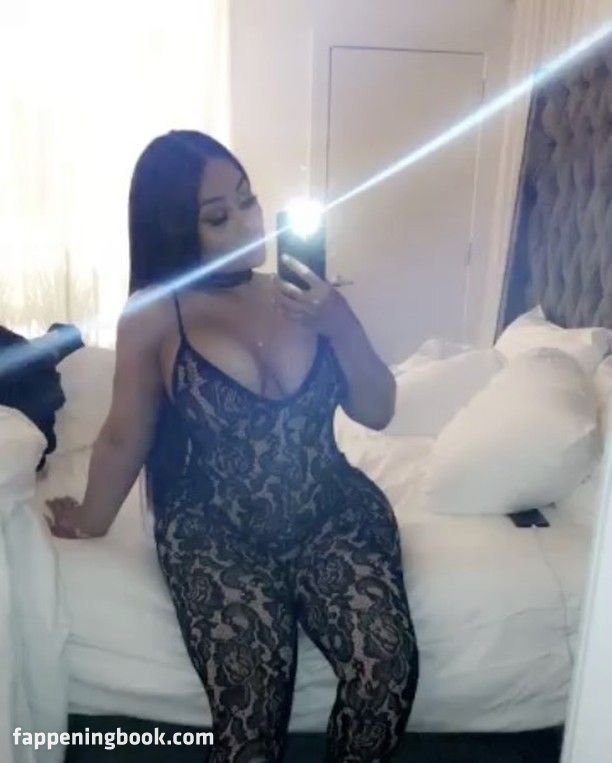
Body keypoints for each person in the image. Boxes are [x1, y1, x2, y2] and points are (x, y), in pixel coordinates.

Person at [46, 130, 419, 762]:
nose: (247, 224)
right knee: (251, 713)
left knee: (386, 671)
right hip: (217, 531)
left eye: (248, 201)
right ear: (175, 231)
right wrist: (89, 519)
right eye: (218, 217)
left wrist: (340, 321)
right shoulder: (156, 313)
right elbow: (124, 433)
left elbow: (378, 410)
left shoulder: (302, 294)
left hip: (331, 512)